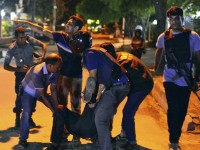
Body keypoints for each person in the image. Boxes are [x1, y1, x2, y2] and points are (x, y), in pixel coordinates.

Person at [69, 32, 130, 150]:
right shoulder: (95, 50)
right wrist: (93, 96)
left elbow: (93, 79)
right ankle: (100, 142)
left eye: (74, 42)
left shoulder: (90, 53)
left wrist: (91, 98)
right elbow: (102, 77)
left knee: (100, 119)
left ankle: (105, 147)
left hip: (116, 86)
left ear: (79, 44)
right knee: (100, 113)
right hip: (118, 85)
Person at [14, 15, 84, 114]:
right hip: (62, 76)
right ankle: (62, 128)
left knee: (76, 106)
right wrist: (26, 23)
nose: (66, 25)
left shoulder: (83, 40)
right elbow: (42, 30)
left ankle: (76, 127)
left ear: (76, 28)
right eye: (67, 23)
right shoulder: (61, 37)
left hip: (77, 77)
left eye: (69, 24)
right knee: (61, 104)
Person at [154, 7, 200, 150]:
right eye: (171, 19)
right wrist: (156, 70)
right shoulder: (163, 37)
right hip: (170, 79)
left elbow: (198, 58)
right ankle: (173, 141)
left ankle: (175, 134)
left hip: (186, 78)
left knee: (182, 110)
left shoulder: (193, 36)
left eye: (176, 18)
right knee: (173, 109)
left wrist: (196, 77)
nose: (174, 22)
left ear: (182, 19)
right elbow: (159, 52)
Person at [4, 27, 46, 128]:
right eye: (20, 38)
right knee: (20, 95)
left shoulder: (30, 40)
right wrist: (19, 70)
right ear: (16, 38)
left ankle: (29, 117)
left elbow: (43, 45)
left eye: (24, 37)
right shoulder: (12, 48)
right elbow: (6, 66)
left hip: (33, 72)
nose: (23, 39)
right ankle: (18, 118)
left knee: (34, 95)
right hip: (20, 73)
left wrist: (42, 57)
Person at [17, 53, 62, 149]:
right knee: (26, 113)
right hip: (28, 91)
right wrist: (53, 110)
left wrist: (56, 107)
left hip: (41, 90)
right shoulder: (37, 72)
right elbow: (43, 95)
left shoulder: (56, 70)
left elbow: (53, 90)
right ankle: (22, 139)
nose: (59, 69)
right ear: (50, 66)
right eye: (57, 67)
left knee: (59, 111)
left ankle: (56, 138)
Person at [112, 51, 154, 149]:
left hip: (141, 85)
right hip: (143, 81)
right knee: (127, 111)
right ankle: (124, 135)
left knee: (128, 112)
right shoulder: (121, 54)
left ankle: (131, 142)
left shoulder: (119, 63)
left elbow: (119, 85)